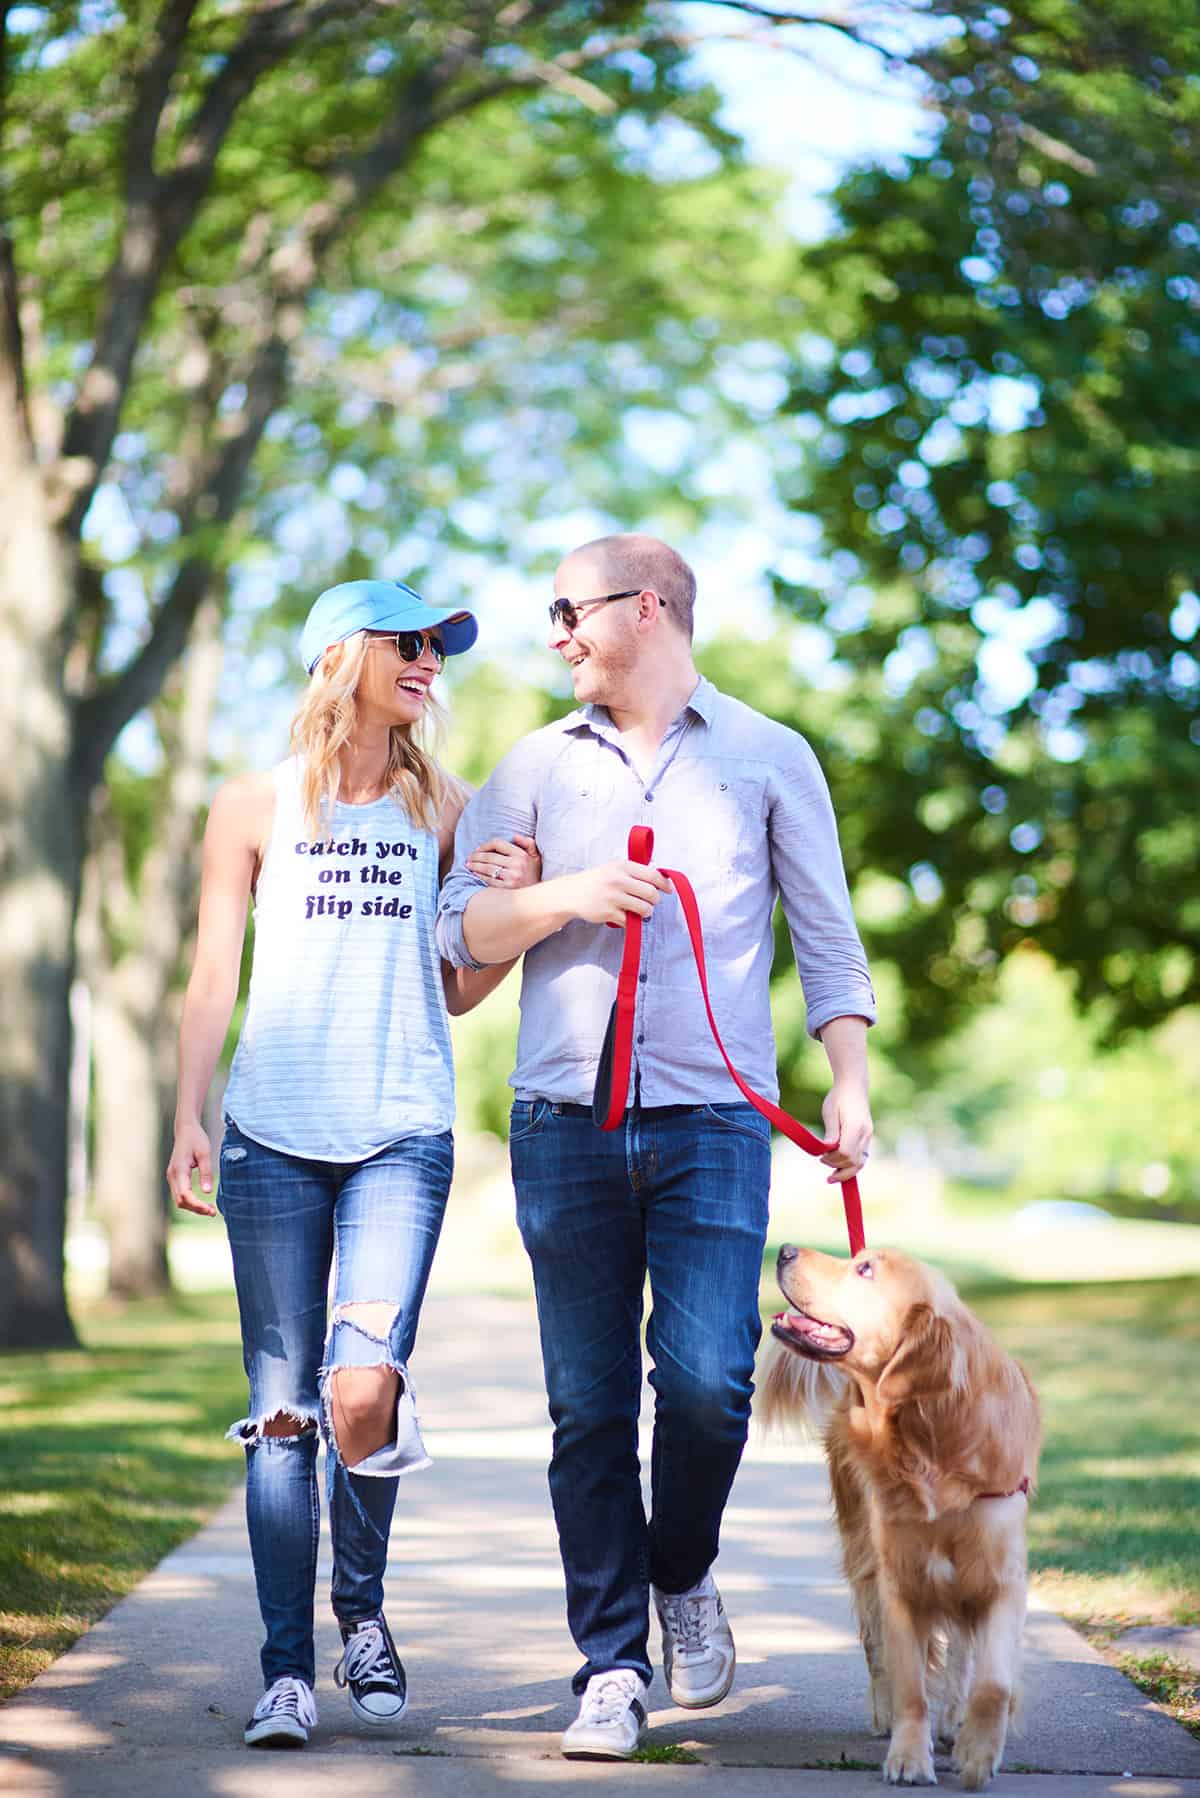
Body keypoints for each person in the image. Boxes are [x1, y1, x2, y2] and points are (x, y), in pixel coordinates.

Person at [436, 533, 875, 1761]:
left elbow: (829, 938)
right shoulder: (527, 767)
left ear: (648, 608)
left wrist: (848, 1079)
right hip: (562, 1124)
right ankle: (610, 1666)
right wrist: (557, 899)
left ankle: (682, 1571)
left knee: (706, 1384)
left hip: (715, 1125)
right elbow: (456, 949)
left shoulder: (771, 756)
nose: (557, 634)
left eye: (569, 611)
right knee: (584, 1411)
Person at [166, 578, 539, 1750]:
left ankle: (361, 1615)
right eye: (410, 645)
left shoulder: (447, 807)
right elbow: (212, 971)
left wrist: (514, 907)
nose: (431, 664)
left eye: (439, 650)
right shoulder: (252, 803)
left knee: (363, 1384)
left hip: (399, 1134)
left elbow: (457, 987)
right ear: (344, 655)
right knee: (282, 1413)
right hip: (270, 1135)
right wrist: (190, 1114)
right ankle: (285, 1672)